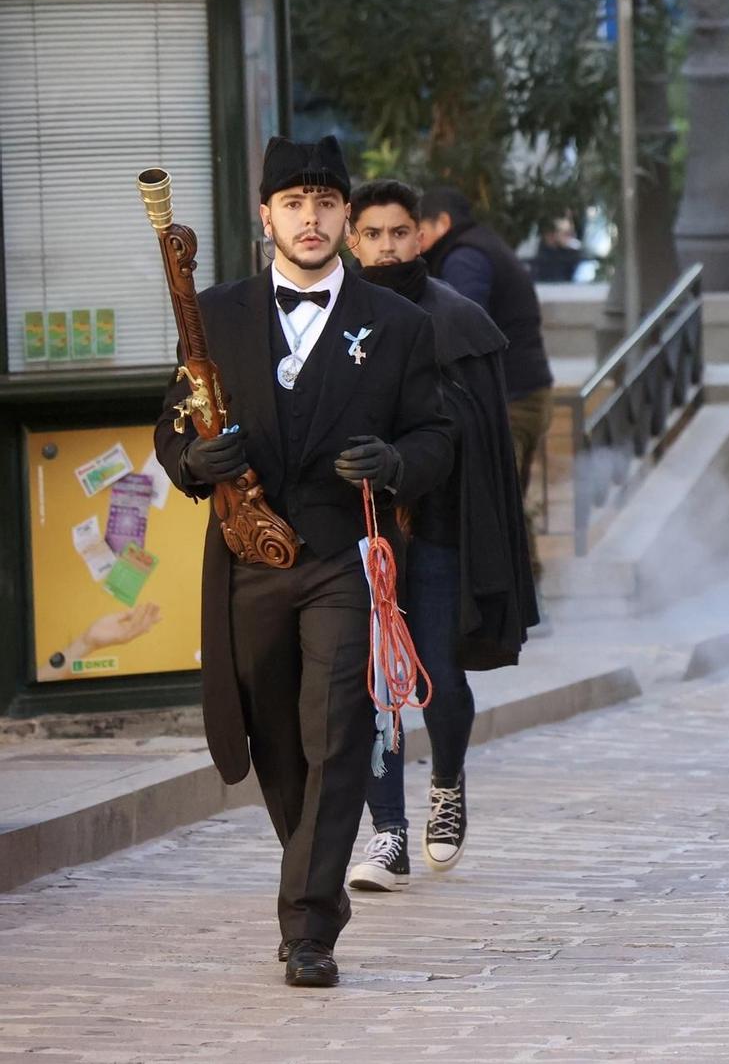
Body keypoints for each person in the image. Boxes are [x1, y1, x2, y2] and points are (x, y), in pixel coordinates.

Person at [156, 136, 453, 988]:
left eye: (326, 204)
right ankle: (313, 870)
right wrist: (191, 464)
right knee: (276, 739)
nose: (311, 218)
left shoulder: (398, 325)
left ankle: (309, 927)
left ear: (346, 219)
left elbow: (438, 433)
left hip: (344, 558)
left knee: (335, 728)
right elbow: (171, 425)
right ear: (266, 217)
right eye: (294, 204)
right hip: (247, 561)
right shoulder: (211, 315)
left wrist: (393, 464)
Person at [342, 179, 540, 894]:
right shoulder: (337, 314)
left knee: (437, 679)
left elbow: (475, 433)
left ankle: (448, 782)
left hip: (439, 529)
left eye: (400, 232)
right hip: (357, 535)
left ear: (421, 235)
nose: (388, 245)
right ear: (351, 238)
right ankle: (388, 831)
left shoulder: (456, 320)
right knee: (371, 687)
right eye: (374, 234)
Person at [416, 187, 555, 564]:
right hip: (525, 391)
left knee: (496, 504)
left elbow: (462, 324)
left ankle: (524, 600)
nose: (414, 243)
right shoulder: (483, 244)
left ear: (442, 223)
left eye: (417, 231)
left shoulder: (464, 258)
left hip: (508, 398)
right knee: (506, 499)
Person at [530, 216, 585, 284]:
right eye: (566, 234)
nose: (571, 237)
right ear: (552, 235)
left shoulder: (573, 254)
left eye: (571, 233)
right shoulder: (538, 254)